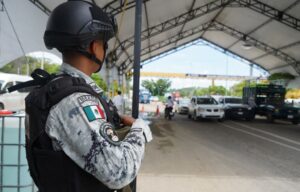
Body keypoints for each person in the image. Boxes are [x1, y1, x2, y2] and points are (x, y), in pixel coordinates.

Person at [24, 1, 152, 192]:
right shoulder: (74, 101)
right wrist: (140, 130)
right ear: (94, 47)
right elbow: (119, 172)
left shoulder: (55, 90)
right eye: (104, 44)